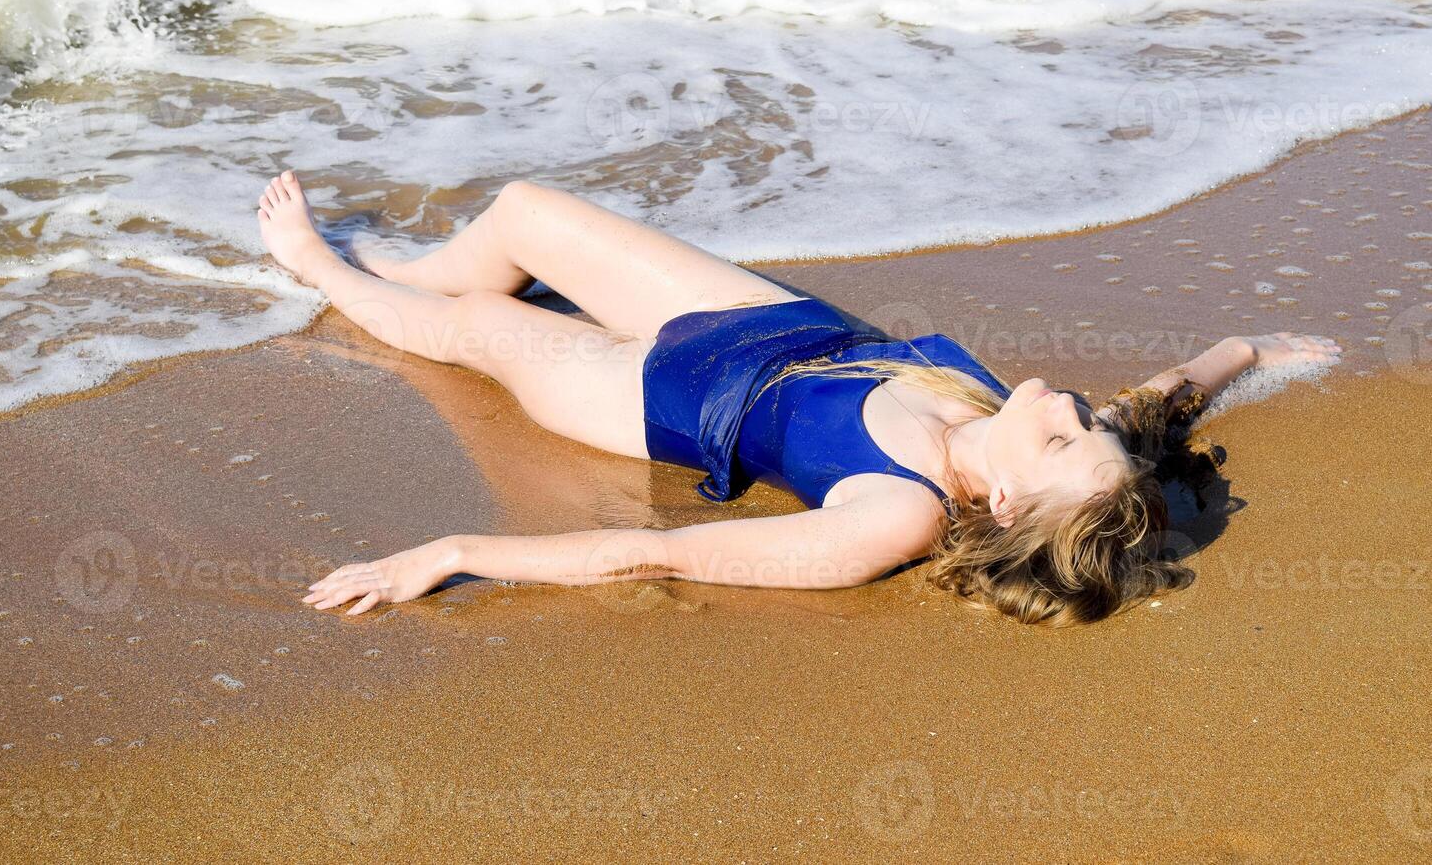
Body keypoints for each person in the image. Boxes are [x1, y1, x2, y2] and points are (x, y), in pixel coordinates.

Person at [255, 172, 1341, 625]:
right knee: (527, 210)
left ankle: (335, 271)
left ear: (1008, 502)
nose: (1078, 410)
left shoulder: (899, 514)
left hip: (652, 395)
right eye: (1088, 424)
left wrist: (446, 550)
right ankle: (424, 259)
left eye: (1069, 439)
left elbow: (658, 555)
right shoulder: (1021, 424)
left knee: (466, 333)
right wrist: (1244, 345)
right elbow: (1153, 408)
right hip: (765, 324)